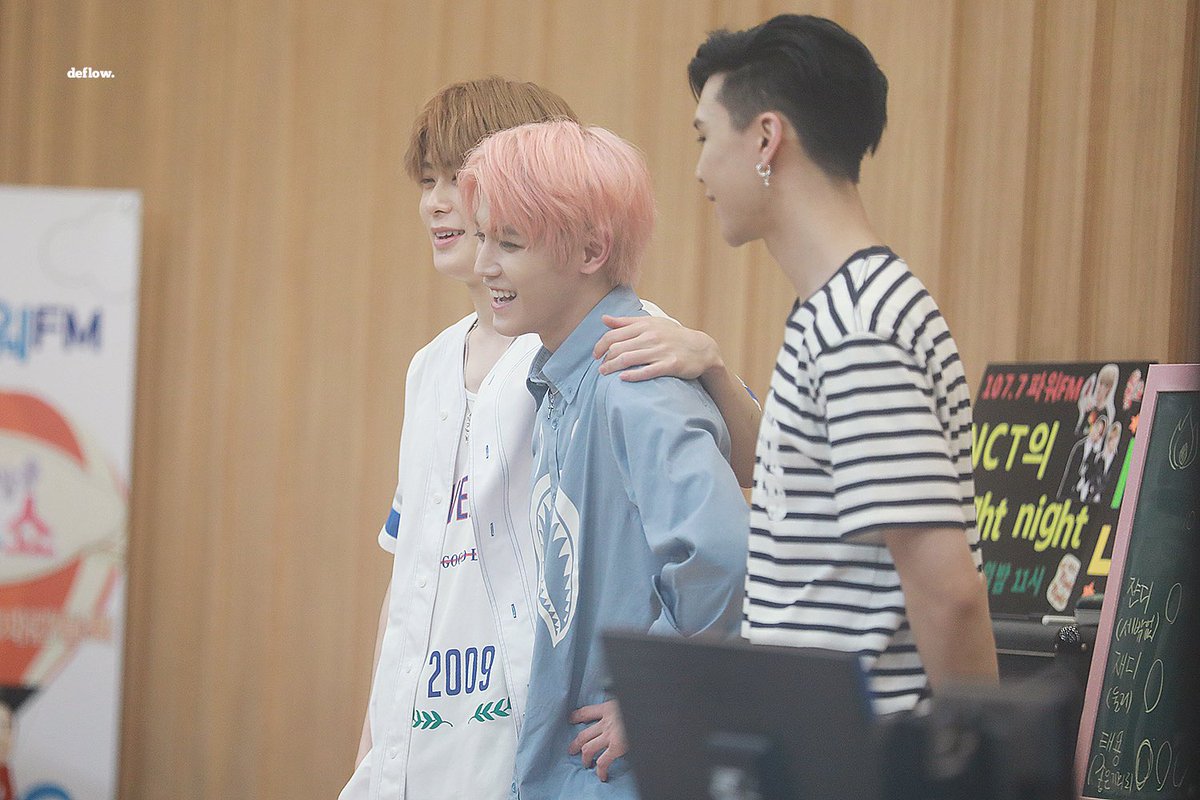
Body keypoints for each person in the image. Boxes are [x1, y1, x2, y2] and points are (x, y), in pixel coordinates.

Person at [339, 78, 759, 800]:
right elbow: (410, 575)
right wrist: (376, 752)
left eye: (458, 179)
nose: (440, 202)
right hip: (440, 744)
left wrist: (714, 365)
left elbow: (728, 529)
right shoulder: (445, 366)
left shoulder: (620, 347)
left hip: (548, 739)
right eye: (429, 181)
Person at [688, 14, 998, 714]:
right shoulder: (840, 311)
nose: (699, 169)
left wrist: (985, 758)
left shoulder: (857, 326)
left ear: (766, 138)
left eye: (706, 137)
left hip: (873, 755)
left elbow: (948, 592)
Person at [460, 119, 748, 797]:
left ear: (592, 250)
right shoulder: (565, 376)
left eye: (510, 243)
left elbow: (723, 557)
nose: (483, 266)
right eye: (483, 238)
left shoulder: (634, 382)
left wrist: (653, 696)